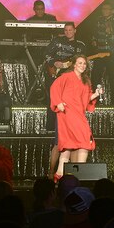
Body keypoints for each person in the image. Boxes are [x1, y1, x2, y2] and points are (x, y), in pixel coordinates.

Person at [43, 21, 88, 174]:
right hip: (59, 83)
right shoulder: (56, 41)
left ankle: (72, 175)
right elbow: (46, 54)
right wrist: (55, 63)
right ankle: (52, 173)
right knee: (59, 143)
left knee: (76, 144)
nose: (68, 32)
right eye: (66, 30)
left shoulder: (80, 46)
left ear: (75, 31)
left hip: (74, 112)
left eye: (71, 30)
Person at [49, 54, 103, 181]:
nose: (82, 66)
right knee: (78, 140)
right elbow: (54, 88)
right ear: (74, 64)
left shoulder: (86, 81)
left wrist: (95, 94)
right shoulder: (66, 77)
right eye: (80, 63)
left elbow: (85, 100)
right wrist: (58, 103)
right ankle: (76, 173)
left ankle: (61, 173)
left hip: (79, 114)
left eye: (84, 64)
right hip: (67, 113)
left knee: (77, 142)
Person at [89, 1, 114, 104]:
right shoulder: (98, 20)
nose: (104, 11)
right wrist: (94, 41)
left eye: (107, 9)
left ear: (112, 11)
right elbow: (93, 33)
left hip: (111, 53)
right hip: (100, 53)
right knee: (95, 76)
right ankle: (96, 100)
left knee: (113, 78)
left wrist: (110, 31)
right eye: (103, 9)